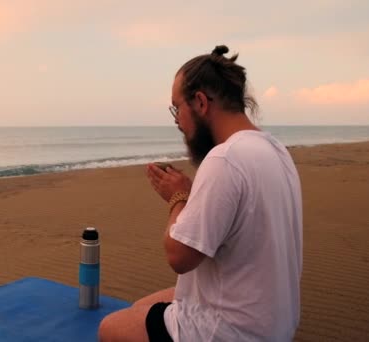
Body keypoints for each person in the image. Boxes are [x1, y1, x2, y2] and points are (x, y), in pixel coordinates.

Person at [98, 45, 303, 341]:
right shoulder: (274, 149)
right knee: (141, 307)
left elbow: (179, 256)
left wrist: (178, 199)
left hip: (233, 330)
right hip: (273, 321)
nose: (177, 121)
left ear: (201, 103)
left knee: (111, 329)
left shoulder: (225, 159)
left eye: (177, 108)